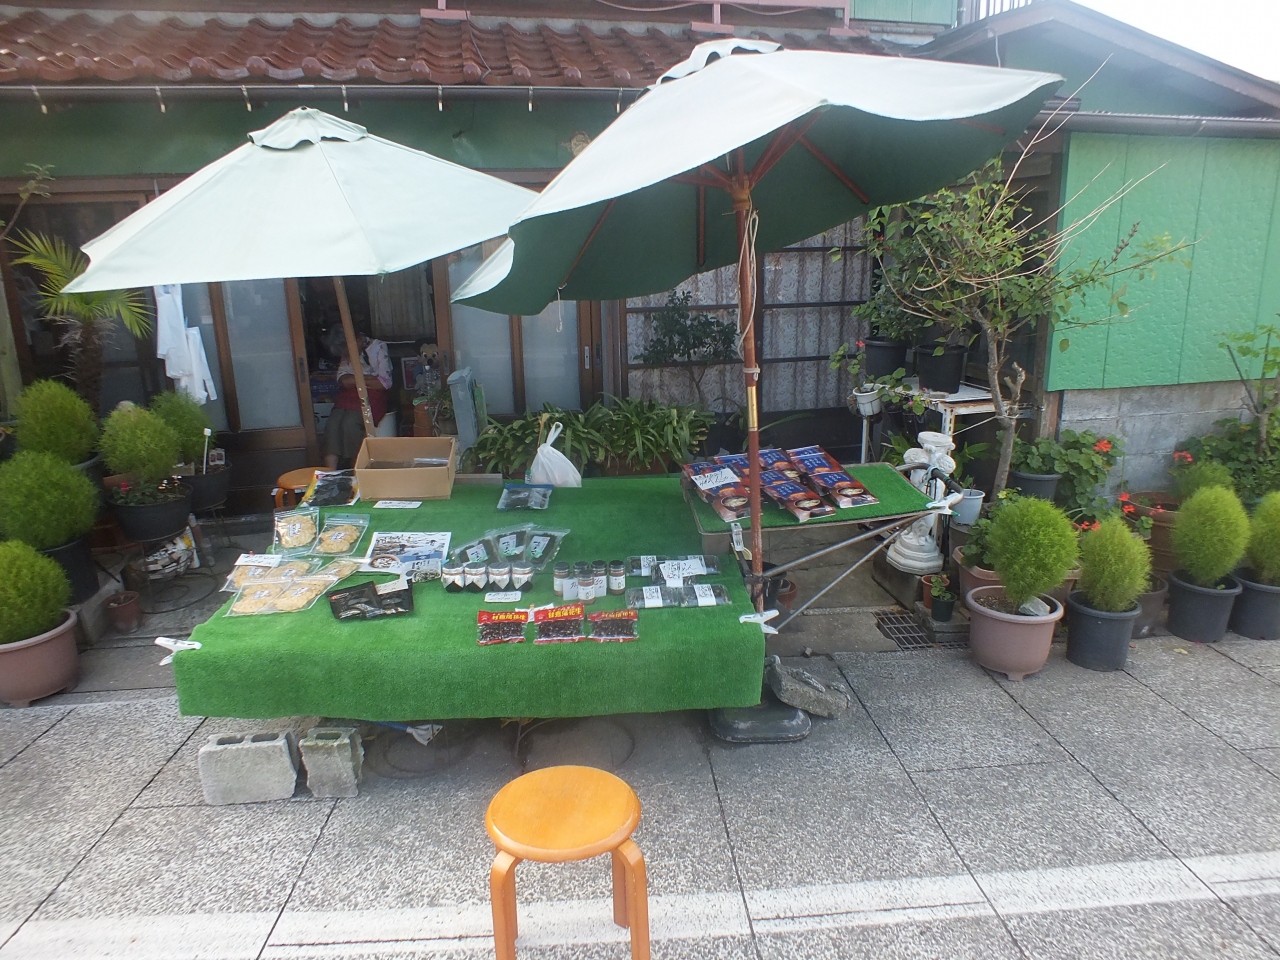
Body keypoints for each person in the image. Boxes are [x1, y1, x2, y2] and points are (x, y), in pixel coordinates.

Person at [323, 332, 392, 468]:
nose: (346, 352)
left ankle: (355, 467)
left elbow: (384, 383)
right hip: (349, 395)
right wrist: (367, 379)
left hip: (373, 396)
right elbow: (343, 379)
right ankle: (330, 472)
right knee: (333, 424)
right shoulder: (347, 351)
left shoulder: (379, 346)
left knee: (350, 423)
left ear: (359, 339)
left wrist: (355, 379)